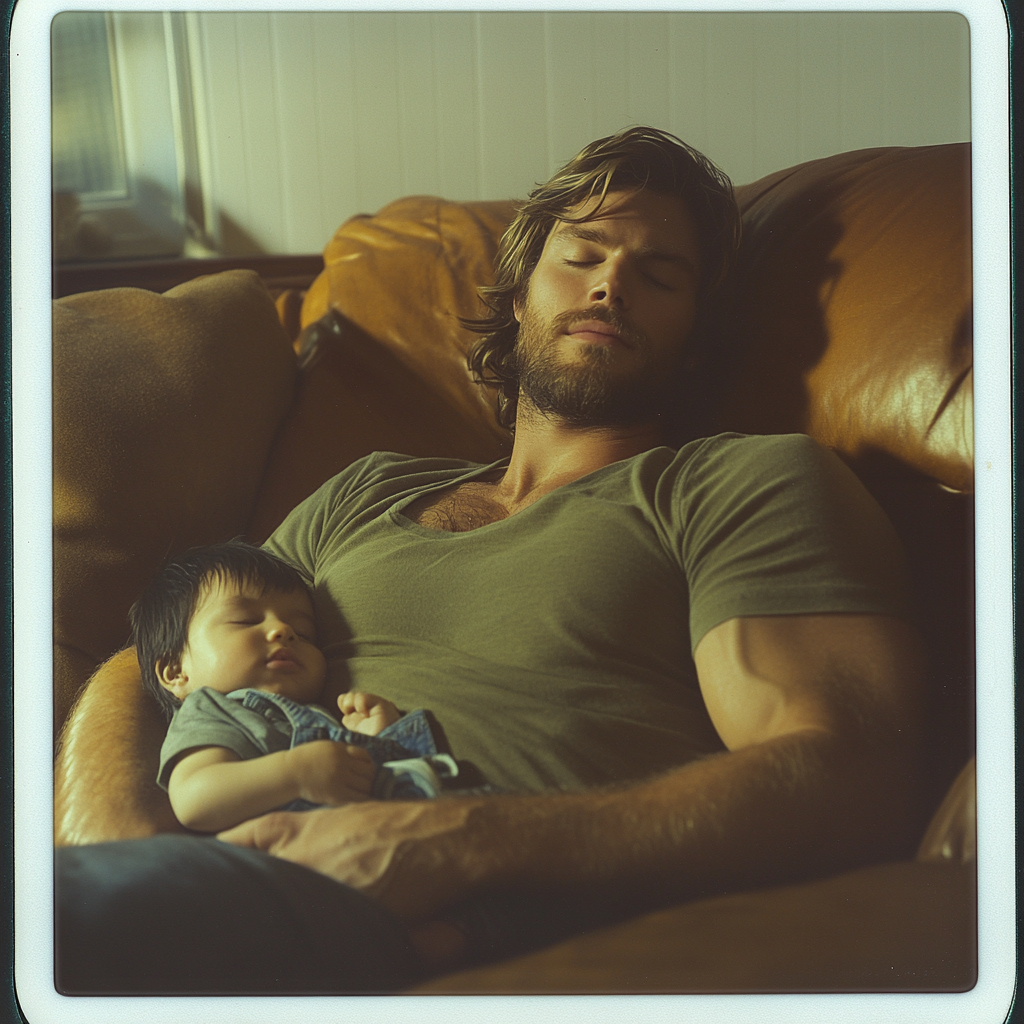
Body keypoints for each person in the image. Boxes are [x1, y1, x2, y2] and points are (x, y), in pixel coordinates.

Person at [55, 126, 926, 994]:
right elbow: (162, 654)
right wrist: (114, 825)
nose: (611, 283)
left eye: (660, 275)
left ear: (697, 337)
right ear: (518, 296)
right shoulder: (366, 490)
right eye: (581, 255)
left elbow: (850, 771)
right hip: (221, 876)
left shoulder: (737, 484)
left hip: (446, 919)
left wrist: (465, 842)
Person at [131, 541, 462, 834]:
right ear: (176, 671)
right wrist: (295, 773)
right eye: (246, 620)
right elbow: (195, 798)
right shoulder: (211, 712)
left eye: (303, 633)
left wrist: (376, 741)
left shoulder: (319, 713)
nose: (282, 630)